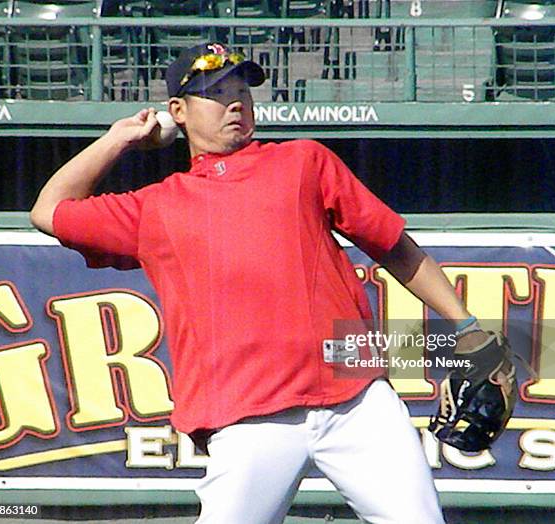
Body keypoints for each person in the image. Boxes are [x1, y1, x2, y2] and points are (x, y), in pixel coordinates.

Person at [31, 42, 489, 524]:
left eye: (241, 89)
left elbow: (393, 246)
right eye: (215, 91)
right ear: (177, 111)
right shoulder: (156, 206)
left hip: (356, 402)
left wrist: (467, 326)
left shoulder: (303, 162)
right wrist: (119, 139)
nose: (235, 101)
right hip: (247, 417)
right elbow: (48, 211)